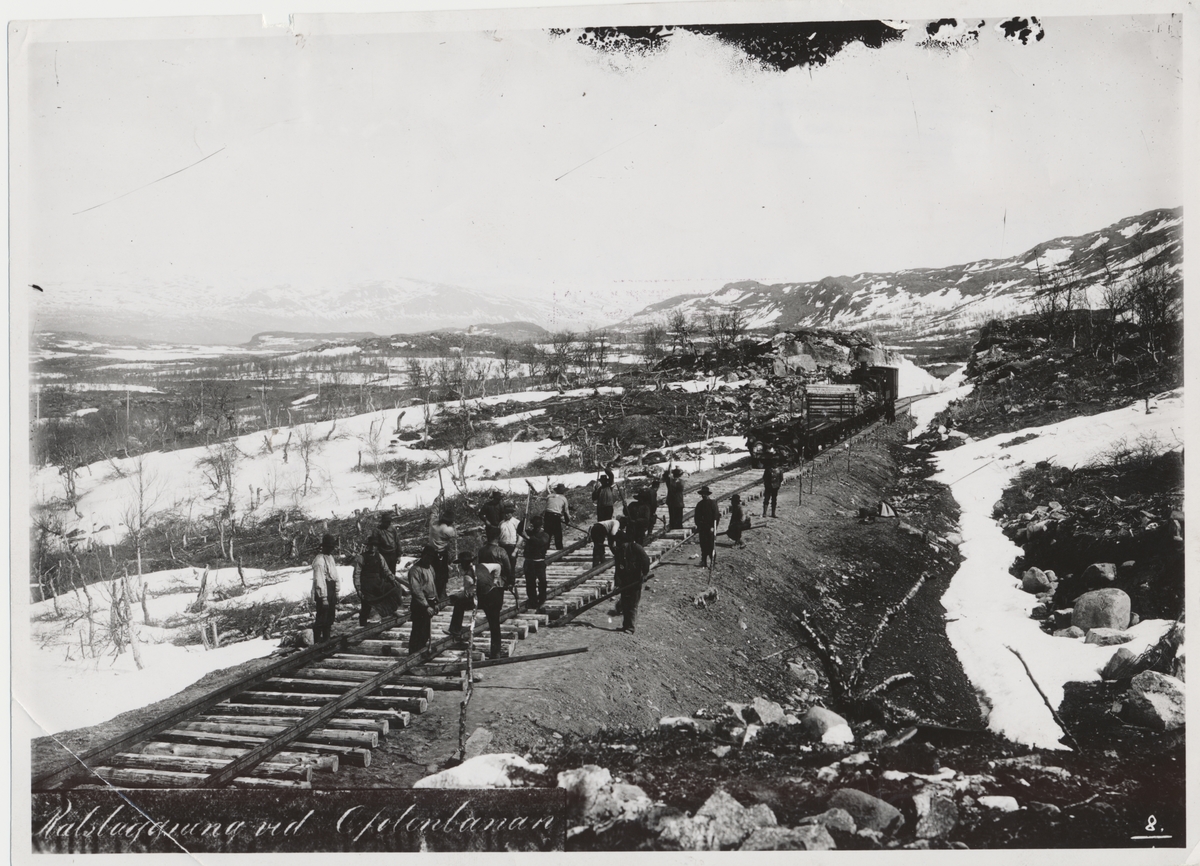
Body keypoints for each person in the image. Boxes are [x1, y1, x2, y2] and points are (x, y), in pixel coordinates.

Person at [449, 551, 506, 659]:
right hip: (496, 595)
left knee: (459, 604)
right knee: (494, 625)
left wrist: (457, 596)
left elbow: (468, 594)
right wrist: (494, 580)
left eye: (461, 564)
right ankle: (496, 653)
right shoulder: (484, 566)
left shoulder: (468, 577)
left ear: (463, 564)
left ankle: (455, 629)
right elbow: (498, 566)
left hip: (485, 599)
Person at [356, 536, 404, 626]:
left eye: (375, 545)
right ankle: (363, 624)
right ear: (368, 546)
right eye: (371, 545)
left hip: (378, 583)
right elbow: (357, 574)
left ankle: (392, 611)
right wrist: (358, 588)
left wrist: (392, 579)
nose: (373, 547)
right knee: (366, 604)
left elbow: (386, 569)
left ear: (377, 546)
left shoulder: (379, 556)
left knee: (393, 589)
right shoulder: (362, 557)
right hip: (366, 585)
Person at [613, 535, 650, 634]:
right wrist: (617, 584)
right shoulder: (619, 551)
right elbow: (617, 569)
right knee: (625, 603)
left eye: (623, 544)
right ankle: (625, 626)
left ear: (626, 542)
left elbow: (646, 560)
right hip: (625, 581)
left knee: (632, 604)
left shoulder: (636, 548)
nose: (621, 547)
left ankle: (631, 628)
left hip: (635, 580)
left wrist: (645, 574)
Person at [406, 545, 440, 653]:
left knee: (425, 631)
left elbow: (433, 586)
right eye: (428, 556)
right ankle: (413, 654)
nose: (430, 559)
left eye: (432, 557)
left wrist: (436, 602)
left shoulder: (430, 568)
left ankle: (421, 652)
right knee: (418, 630)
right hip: (420, 604)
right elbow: (416, 591)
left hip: (429, 602)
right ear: (423, 555)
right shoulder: (415, 570)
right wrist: (426, 606)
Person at [311, 533, 340, 643]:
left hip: (331, 589)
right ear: (324, 547)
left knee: (330, 617)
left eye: (332, 547)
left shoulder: (330, 558)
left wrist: (336, 591)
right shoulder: (319, 560)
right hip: (323, 590)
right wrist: (323, 598)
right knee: (322, 617)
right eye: (329, 547)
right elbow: (319, 580)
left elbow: (335, 575)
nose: (331, 549)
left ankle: (326, 641)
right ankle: (317, 643)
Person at [520, 514, 551, 607]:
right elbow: (520, 530)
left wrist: (528, 538)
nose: (536, 528)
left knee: (542, 582)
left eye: (537, 526)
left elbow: (540, 542)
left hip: (539, 561)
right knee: (530, 582)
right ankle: (532, 600)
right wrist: (524, 520)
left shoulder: (545, 535)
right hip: (529, 561)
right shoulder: (530, 533)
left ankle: (541, 598)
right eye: (534, 526)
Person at [427, 511, 456, 602]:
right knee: (442, 576)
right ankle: (440, 595)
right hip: (441, 553)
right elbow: (454, 534)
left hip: (431, 553)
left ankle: (435, 594)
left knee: (433, 574)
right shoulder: (448, 530)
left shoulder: (433, 523)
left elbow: (433, 513)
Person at [477, 525, 515, 590]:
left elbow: (480, 565)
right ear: (498, 537)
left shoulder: (481, 550)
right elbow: (508, 568)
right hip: (498, 581)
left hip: (484, 580)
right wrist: (509, 581)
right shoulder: (501, 551)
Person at [693, 485, 721, 568]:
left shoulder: (712, 503)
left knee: (711, 545)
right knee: (703, 545)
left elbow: (716, 516)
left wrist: (714, 527)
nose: (703, 495)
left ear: (708, 495)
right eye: (702, 494)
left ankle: (712, 562)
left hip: (710, 528)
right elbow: (696, 517)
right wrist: (698, 525)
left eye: (705, 494)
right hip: (702, 528)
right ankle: (704, 562)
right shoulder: (700, 504)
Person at [370, 511, 403, 576]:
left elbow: (397, 541)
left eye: (389, 522)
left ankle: (392, 582)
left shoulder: (392, 529)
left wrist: (399, 555)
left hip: (393, 554)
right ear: (382, 521)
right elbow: (374, 544)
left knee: (392, 573)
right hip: (383, 555)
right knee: (383, 573)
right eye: (386, 522)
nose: (388, 523)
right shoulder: (377, 530)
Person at [544, 483, 572, 550]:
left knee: (547, 533)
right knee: (558, 534)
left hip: (547, 516)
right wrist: (567, 521)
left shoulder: (549, 496)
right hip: (555, 517)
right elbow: (566, 512)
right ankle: (559, 549)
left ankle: (545, 548)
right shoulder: (564, 498)